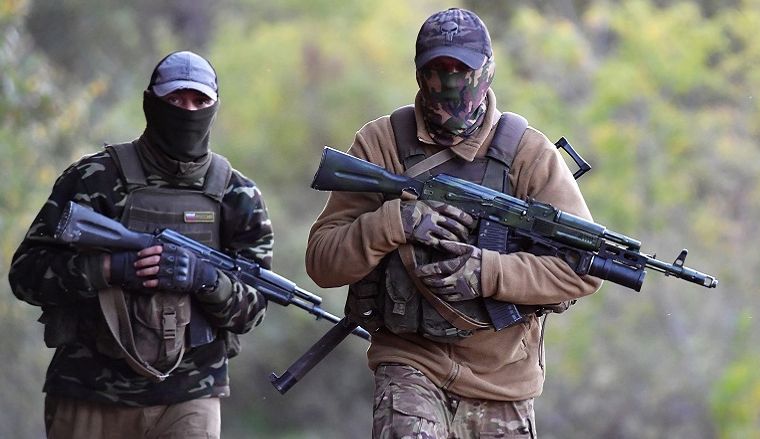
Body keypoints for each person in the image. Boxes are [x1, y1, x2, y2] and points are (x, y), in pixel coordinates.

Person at [305, 8, 602, 438]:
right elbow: (322, 262)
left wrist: (486, 272)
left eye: (462, 70)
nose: (449, 83)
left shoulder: (528, 154)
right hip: (410, 362)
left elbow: (584, 269)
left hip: (504, 379)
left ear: (487, 71)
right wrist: (396, 221)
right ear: (419, 73)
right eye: (437, 69)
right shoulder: (382, 143)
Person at [9, 50, 273, 438]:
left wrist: (204, 278)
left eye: (200, 100)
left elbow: (252, 311)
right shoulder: (94, 177)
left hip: (190, 394)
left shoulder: (238, 194)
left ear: (215, 106)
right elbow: (25, 276)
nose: (188, 110)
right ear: (151, 102)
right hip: (88, 391)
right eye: (175, 99)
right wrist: (109, 270)